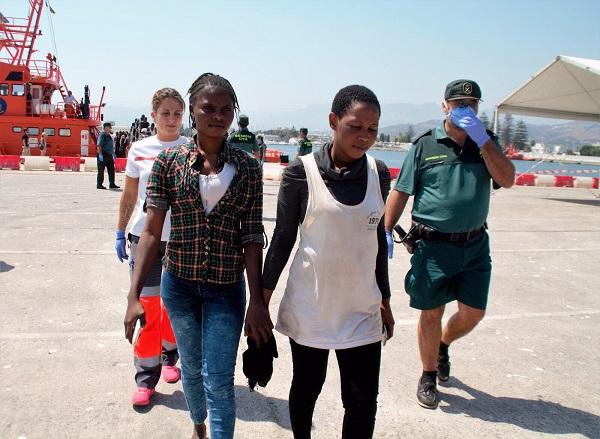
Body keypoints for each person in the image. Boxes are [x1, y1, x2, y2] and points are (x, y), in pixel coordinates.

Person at [124, 73, 270, 439]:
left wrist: (258, 301)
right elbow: (152, 232)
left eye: (225, 109)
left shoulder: (249, 167)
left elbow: (252, 237)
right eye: (208, 108)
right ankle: (198, 425)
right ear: (193, 111)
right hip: (179, 286)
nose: (217, 116)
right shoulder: (169, 163)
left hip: (226, 288)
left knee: (219, 378)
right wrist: (133, 295)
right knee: (189, 368)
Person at [262, 85, 395, 439]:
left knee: (363, 401)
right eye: (355, 126)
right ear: (334, 121)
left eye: (372, 129)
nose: (364, 136)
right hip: (312, 309)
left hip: (362, 310)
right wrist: (259, 305)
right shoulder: (300, 173)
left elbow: (377, 244)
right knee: (307, 389)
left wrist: (385, 299)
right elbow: (281, 242)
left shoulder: (378, 174)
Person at [384, 79, 515, 410]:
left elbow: (508, 179)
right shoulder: (426, 146)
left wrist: (484, 141)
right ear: (444, 106)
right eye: (458, 105)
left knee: (474, 313)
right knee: (431, 312)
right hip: (432, 246)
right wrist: (384, 230)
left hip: (474, 245)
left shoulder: (487, 144)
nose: (465, 110)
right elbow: (401, 191)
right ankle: (428, 374)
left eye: (471, 105)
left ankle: (444, 343)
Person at [117, 88, 188, 406]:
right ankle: (146, 379)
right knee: (146, 309)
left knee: (173, 308)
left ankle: (170, 357)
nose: (171, 119)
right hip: (144, 240)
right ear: (154, 115)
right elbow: (130, 195)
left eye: (177, 113)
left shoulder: (192, 149)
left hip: (182, 242)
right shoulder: (139, 149)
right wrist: (121, 231)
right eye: (165, 113)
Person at [96, 122, 120, 190]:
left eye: (109, 128)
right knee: (101, 170)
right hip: (103, 155)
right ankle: (99, 184)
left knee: (112, 170)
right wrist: (100, 154)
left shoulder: (109, 136)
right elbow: (99, 145)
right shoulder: (102, 135)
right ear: (105, 128)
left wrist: (113, 154)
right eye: (108, 128)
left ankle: (112, 184)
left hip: (109, 155)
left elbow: (111, 146)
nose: (109, 129)